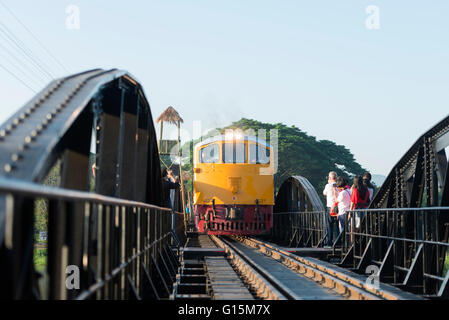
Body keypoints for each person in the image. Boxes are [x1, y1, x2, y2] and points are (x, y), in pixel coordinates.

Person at [323, 171, 337, 247]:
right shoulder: (339, 185)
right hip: (338, 207)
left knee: (329, 225)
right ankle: (339, 242)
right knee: (338, 225)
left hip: (330, 207)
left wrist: (328, 183)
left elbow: (324, 193)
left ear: (330, 178)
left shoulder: (328, 186)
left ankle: (329, 242)